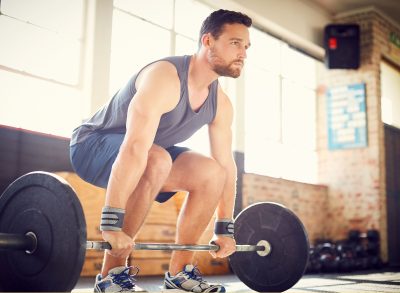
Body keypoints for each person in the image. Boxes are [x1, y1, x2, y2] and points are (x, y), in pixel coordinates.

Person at [70, 9, 252, 293]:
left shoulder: (221, 103)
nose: (243, 53)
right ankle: (110, 277)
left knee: (212, 173)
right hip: (91, 146)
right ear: (208, 41)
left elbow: (227, 167)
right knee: (156, 159)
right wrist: (111, 223)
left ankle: (179, 274)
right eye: (234, 43)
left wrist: (224, 229)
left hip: (151, 155)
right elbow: (134, 147)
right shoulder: (164, 78)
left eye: (246, 46)